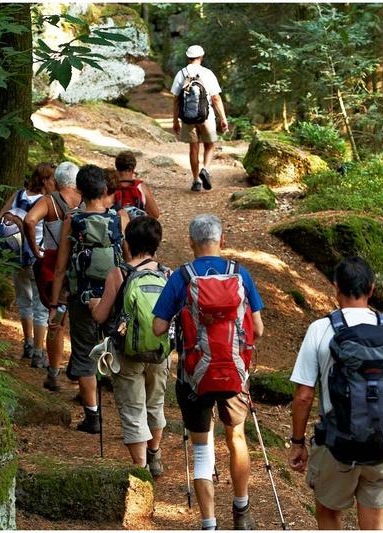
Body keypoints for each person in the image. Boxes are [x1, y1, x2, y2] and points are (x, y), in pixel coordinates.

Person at [288, 257, 383, 530]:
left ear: (335, 288)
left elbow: (303, 396)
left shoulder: (320, 329)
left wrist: (298, 442)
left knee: (328, 512)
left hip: (337, 446)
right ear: (372, 288)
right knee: (374, 522)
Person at [152, 214, 264, 530]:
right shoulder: (239, 274)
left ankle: (209, 523)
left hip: (193, 376)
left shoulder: (182, 277)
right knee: (236, 438)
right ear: (222, 240)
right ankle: (241, 513)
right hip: (233, 374)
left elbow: (158, 326)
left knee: (202, 448)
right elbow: (258, 328)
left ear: (191, 242)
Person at [48, 164, 130, 433]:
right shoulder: (119, 219)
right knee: (115, 348)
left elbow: (60, 267)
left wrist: (55, 303)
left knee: (83, 354)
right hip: (114, 296)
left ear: (80, 190)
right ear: (105, 190)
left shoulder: (73, 220)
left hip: (81, 297)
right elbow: (129, 260)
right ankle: (129, 415)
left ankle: (93, 417)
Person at [89, 216, 169, 475]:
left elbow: (101, 316)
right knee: (155, 403)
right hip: (159, 350)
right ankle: (155, 455)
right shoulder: (167, 274)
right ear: (157, 243)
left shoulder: (119, 273)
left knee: (134, 409)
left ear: (128, 242)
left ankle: (141, 469)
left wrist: (93, 305)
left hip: (126, 352)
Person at [23, 161, 83, 392]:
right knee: (82, 322)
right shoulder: (86, 201)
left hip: (53, 267)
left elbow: (29, 220)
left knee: (56, 321)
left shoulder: (49, 201)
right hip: (81, 267)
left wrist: (34, 248)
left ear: (56, 181)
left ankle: (54, 372)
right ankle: (83, 373)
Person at [0, 163, 55, 368]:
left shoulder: (18, 194)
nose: (55, 183)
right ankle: (38, 353)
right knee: (41, 305)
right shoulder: (46, 201)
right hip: (39, 256)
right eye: (52, 179)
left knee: (23, 300)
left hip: (16, 256)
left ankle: (27, 344)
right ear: (45, 181)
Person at [171, 45, 229, 192]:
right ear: (202, 57)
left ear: (187, 57)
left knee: (193, 148)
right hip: (206, 116)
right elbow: (215, 98)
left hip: (187, 118)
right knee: (210, 144)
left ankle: (196, 180)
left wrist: (175, 120)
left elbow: (176, 100)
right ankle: (206, 169)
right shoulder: (207, 73)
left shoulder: (181, 73)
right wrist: (223, 118)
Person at [112, 151, 161, 219]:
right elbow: (155, 214)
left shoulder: (110, 186)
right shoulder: (141, 187)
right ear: (133, 168)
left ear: (116, 167)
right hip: (137, 228)